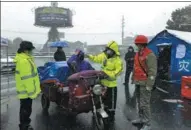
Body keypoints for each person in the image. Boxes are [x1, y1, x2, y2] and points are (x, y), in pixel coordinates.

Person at [86, 41, 123, 121]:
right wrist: (88, 56)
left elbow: (118, 71)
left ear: (113, 51)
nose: (107, 51)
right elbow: (96, 58)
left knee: (111, 104)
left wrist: (107, 75)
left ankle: (111, 117)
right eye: (107, 49)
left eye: (109, 50)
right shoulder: (104, 56)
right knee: (100, 100)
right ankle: (100, 114)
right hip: (102, 84)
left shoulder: (117, 61)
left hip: (111, 86)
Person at [131, 35, 157, 130]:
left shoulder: (150, 55)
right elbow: (135, 67)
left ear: (143, 44)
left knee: (144, 104)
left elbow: (152, 71)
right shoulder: (137, 54)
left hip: (145, 83)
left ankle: (147, 123)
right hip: (138, 82)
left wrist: (150, 85)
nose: (137, 45)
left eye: (138, 44)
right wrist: (133, 78)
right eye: (136, 44)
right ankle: (141, 118)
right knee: (139, 102)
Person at [14, 41, 41, 130]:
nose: (31, 51)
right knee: (26, 110)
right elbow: (27, 79)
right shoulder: (24, 61)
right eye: (30, 49)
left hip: (25, 91)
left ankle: (24, 124)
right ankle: (24, 126)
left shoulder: (26, 59)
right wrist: (32, 93)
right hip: (26, 92)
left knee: (25, 109)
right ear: (26, 50)